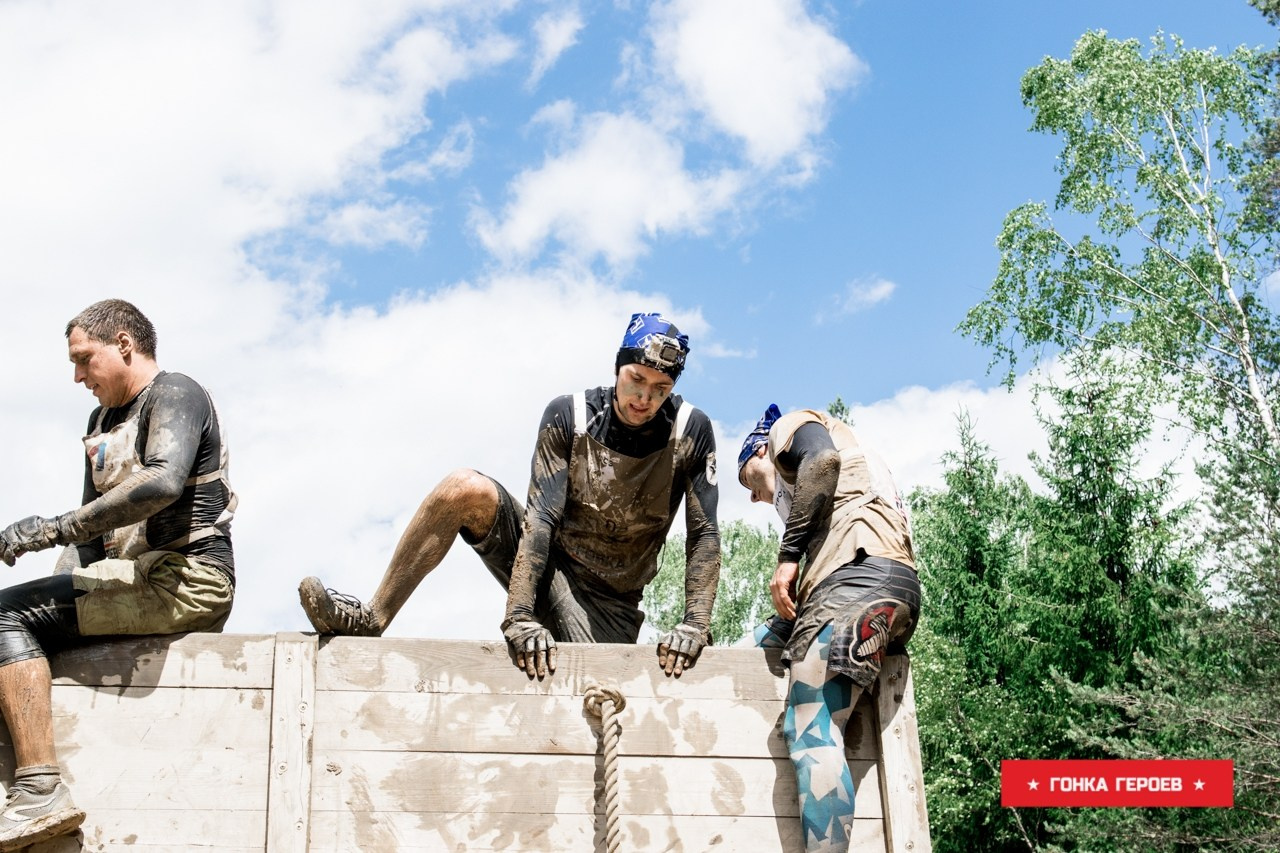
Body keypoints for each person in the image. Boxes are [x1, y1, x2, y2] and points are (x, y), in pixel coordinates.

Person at [299, 312, 720, 678]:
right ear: (618, 368)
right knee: (464, 488)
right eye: (636, 380)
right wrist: (519, 616)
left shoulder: (690, 430)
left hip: (609, 604)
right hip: (549, 563)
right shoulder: (571, 416)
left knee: (588, 693)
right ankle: (372, 618)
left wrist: (695, 624)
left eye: (660, 388)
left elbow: (703, 534)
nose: (644, 398)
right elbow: (541, 517)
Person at [0, 299, 236, 851]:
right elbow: (87, 540)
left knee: (4, 615)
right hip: (132, 580)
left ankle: (39, 790)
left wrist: (47, 529)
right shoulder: (102, 423)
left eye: (84, 360)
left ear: (124, 344)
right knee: (19, 616)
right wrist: (52, 588)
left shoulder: (176, 393)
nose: (78, 377)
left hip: (188, 579)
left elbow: (162, 483)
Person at [737, 404, 920, 853]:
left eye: (747, 481)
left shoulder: (789, 427)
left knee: (810, 722)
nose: (753, 498)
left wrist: (788, 556)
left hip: (856, 581)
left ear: (761, 451)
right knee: (816, 702)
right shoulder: (854, 499)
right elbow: (795, 623)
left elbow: (821, 461)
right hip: (890, 586)